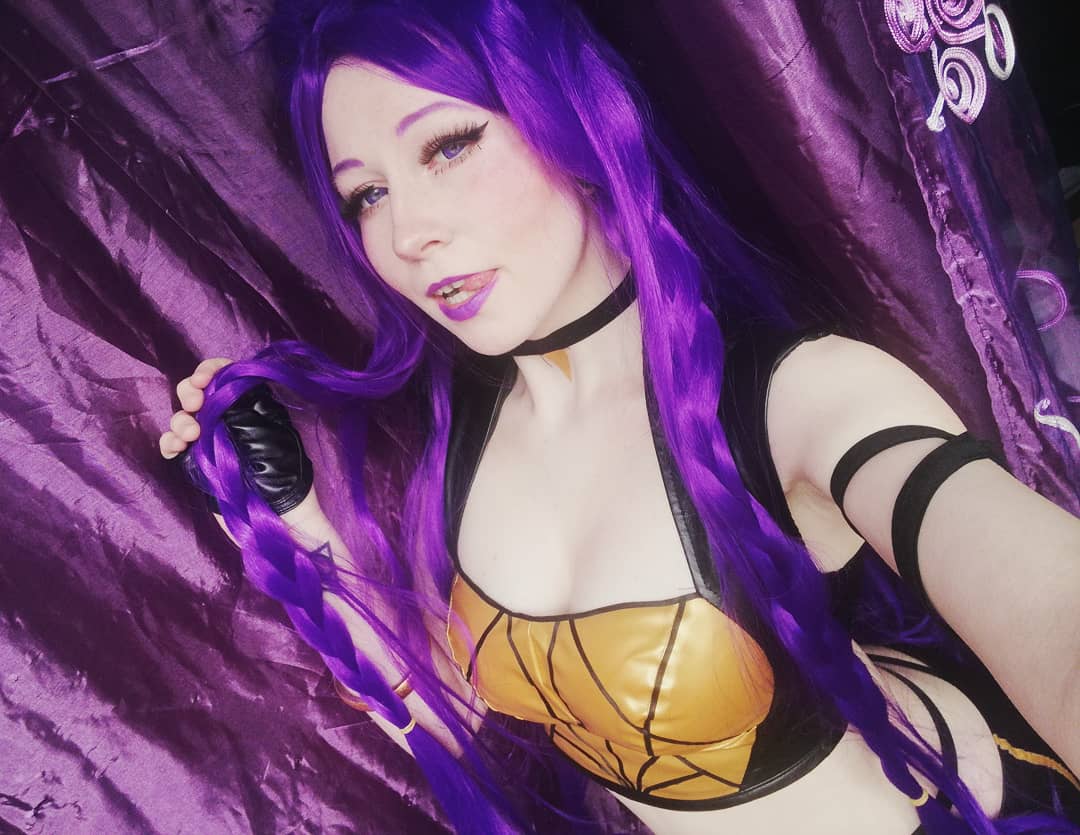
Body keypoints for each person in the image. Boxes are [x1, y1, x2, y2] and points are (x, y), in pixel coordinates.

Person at [157, 0, 1080, 832]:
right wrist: (291, 517)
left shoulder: (793, 399)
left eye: (447, 146)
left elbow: (1046, 600)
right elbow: (448, 708)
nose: (406, 236)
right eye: (368, 194)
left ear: (568, 113)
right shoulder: (466, 442)